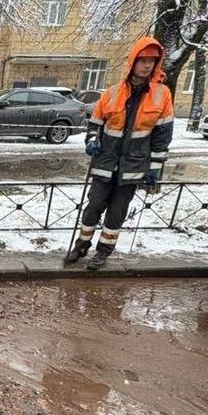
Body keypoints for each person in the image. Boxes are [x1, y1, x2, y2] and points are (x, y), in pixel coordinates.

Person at [64, 37, 174, 270]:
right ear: (133, 62)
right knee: (94, 206)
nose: (146, 66)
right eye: (142, 60)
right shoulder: (113, 92)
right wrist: (92, 140)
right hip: (105, 160)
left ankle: (103, 251)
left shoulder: (161, 94)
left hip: (134, 165)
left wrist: (155, 168)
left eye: (151, 61)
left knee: (117, 212)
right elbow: (95, 122)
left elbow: (162, 135)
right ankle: (81, 246)